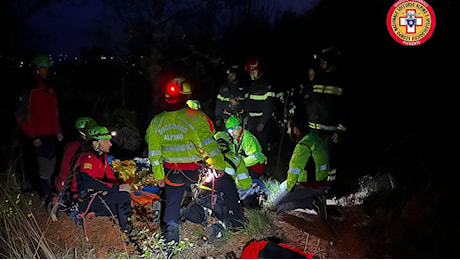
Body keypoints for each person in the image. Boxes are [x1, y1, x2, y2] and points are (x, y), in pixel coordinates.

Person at [146, 76, 225, 244]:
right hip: (194, 172)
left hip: (171, 172)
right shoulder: (196, 116)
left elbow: (154, 153)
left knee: (172, 208)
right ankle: (215, 225)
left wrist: (159, 176)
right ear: (186, 97)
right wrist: (219, 166)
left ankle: (170, 246)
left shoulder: (157, 121)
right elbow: (210, 144)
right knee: (210, 196)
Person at [14, 54, 64, 200]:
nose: (47, 71)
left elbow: (53, 112)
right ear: (37, 69)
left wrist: (58, 130)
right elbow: (21, 116)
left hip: (51, 135)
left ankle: (50, 194)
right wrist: (33, 135)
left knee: (53, 164)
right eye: (44, 68)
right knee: (43, 167)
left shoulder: (48, 89)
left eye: (48, 68)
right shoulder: (30, 90)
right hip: (37, 136)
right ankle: (44, 196)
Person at [74, 125, 133, 236]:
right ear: (95, 143)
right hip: (85, 200)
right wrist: (117, 188)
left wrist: (122, 186)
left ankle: (100, 214)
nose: (110, 144)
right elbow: (88, 181)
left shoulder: (102, 156)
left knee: (126, 197)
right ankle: (127, 230)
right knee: (124, 197)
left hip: (96, 195)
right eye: (106, 141)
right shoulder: (87, 157)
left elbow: (110, 177)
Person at [273, 112, 330, 220]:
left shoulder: (303, 146)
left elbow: (293, 171)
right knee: (282, 186)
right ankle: (315, 199)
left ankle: (311, 203)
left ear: (296, 129)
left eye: (289, 129)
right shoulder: (314, 138)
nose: (288, 131)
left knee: (277, 206)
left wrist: (290, 190)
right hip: (321, 181)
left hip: (310, 185)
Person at [304, 47, 348, 185]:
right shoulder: (318, 78)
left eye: (323, 61)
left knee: (329, 161)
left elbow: (345, 108)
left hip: (329, 131)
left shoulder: (341, 81)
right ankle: (316, 186)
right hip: (314, 129)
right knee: (314, 159)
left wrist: (340, 130)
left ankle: (330, 188)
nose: (321, 64)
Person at [49, 117, 97, 220]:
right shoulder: (73, 146)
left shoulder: (93, 145)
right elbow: (65, 170)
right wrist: (60, 189)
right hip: (70, 182)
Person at [243, 57, 276, 155]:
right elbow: (248, 103)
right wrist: (247, 116)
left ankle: (263, 164)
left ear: (259, 71)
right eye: (250, 72)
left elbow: (269, 106)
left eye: (253, 72)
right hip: (252, 121)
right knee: (251, 143)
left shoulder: (266, 86)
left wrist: (262, 123)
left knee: (261, 144)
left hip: (261, 121)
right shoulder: (251, 85)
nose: (251, 74)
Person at [225, 115, 266, 180]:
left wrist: (239, 164)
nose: (232, 134)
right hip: (247, 164)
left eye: (233, 130)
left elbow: (254, 158)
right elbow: (235, 153)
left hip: (256, 167)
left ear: (240, 128)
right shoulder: (237, 139)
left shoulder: (247, 138)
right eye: (229, 132)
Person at [214, 65, 248, 131]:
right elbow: (219, 104)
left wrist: (239, 103)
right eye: (229, 75)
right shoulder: (223, 88)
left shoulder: (243, 88)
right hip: (226, 117)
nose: (230, 77)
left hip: (239, 117)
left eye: (232, 75)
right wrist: (218, 118)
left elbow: (248, 103)